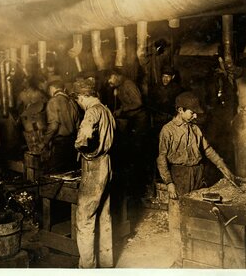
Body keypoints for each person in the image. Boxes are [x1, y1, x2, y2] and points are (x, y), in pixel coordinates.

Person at [156, 91, 235, 267]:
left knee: (196, 216)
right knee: (177, 218)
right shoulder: (167, 130)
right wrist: (169, 183)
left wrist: (225, 170)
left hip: (197, 173)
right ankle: (178, 261)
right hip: (179, 175)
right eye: (192, 112)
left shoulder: (195, 128)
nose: (195, 115)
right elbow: (161, 158)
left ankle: (195, 258)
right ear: (180, 110)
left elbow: (208, 150)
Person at [71, 78, 116, 268]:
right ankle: (106, 264)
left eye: (78, 100)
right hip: (107, 165)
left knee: (85, 221)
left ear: (82, 97)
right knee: (104, 216)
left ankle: (87, 268)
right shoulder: (107, 110)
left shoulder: (92, 112)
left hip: (94, 168)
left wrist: (79, 145)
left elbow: (84, 139)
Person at [107, 68, 150, 197]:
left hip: (140, 122)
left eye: (110, 78)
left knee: (137, 152)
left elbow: (138, 103)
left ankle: (139, 185)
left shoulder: (128, 84)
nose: (109, 81)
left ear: (116, 76)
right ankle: (131, 182)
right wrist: (120, 109)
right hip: (132, 121)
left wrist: (123, 110)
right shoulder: (120, 87)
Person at [42, 80, 80, 173]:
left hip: (60, 145)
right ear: (63, 89)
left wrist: (44, 141)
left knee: (54, 175)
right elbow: (78, 126)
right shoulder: (72, 102)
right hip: (72, 144)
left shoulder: (53, 101)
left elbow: (54, 125)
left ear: (52, 89)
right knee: (69, 174)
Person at [148, 66, 183, 131]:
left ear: (173, 77)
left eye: (168, 77)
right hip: (158, 118)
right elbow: (150, 104)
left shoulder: (177, 89)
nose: (165, 79)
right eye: (164, 76)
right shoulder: (155, 88)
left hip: (172, 118)